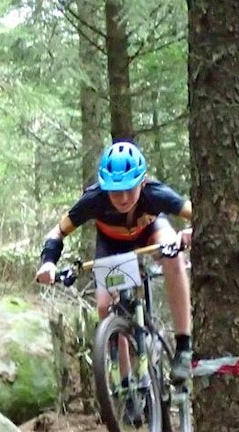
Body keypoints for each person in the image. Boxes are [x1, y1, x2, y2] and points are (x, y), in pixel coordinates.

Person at [35, 141, 193, 386]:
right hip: (112, 244)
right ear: (104, 187)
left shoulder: (155, 193)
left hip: (151, 233)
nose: (123, 198)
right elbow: (57, 232)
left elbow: (196, 213)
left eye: (130, 188)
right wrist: (48, 263)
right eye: (115, 190)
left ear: (143, 182)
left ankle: (184, 346)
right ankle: (125, 381)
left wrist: (190, 232)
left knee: (173, 254)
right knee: (105, 308)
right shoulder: (94, 199)